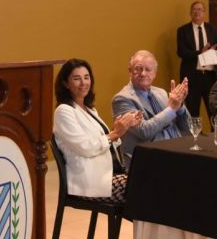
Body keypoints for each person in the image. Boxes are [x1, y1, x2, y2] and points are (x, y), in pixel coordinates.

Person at [53, 59, 142, 203]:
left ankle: (149, 225)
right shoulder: (63, 111)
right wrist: (115, 133)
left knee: (153, 180)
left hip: (110, 173)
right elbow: (86, 147)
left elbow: (104, 142)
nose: (83, 83)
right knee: (144, 188)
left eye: (86, 77)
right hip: (91, 181)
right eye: (77, 79)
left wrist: (124, 127)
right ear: (65, 83)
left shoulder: (90, 110)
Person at [112, 50, 190, 168]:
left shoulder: (161, 92)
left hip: (177, 151)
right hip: (148, 161)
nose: (143, 73)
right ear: (130, 71)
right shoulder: (122, 98)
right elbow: (144, 131)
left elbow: (187, 127)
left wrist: (180, 105)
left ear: (155, 73)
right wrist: (170, 109)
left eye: (148, 69)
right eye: (138, 69)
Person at [177, 1, 217, 123]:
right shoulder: (183, 30)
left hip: (210, 76)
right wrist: (200, 53)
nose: (197, 12)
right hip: (192, 76)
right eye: (194, 9)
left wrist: (212, 51)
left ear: (204, 13)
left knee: (214, 111)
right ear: (190, 13)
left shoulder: (212, 29)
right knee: (192, 111)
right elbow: (181, 52)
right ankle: (194, 138)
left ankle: (216, 137)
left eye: (200, 9)